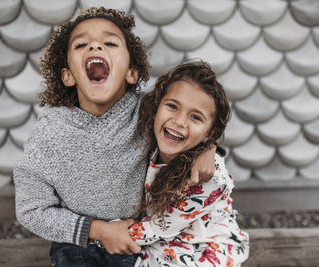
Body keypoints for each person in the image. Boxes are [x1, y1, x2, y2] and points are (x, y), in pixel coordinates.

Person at [13, 7, 215, 267]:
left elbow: (192, 120)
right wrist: (97, 230)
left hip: (143, 233)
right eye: (81, 44)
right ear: (68, 75)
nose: (95, 46)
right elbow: (31, 211)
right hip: (79, 241)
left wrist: (207, 148)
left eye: (109, 43)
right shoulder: (49, 134)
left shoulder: (150, 111)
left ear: (132, 72)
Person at [127, 61, 249, 266]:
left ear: (208, 134)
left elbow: (159, 227)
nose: (180, 121)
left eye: (195, 117)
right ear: (157, 107)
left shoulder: (207, 178)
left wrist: (102, 233)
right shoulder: (148, 140)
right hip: (163, 235)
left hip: (202, 244)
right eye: (172, 106)